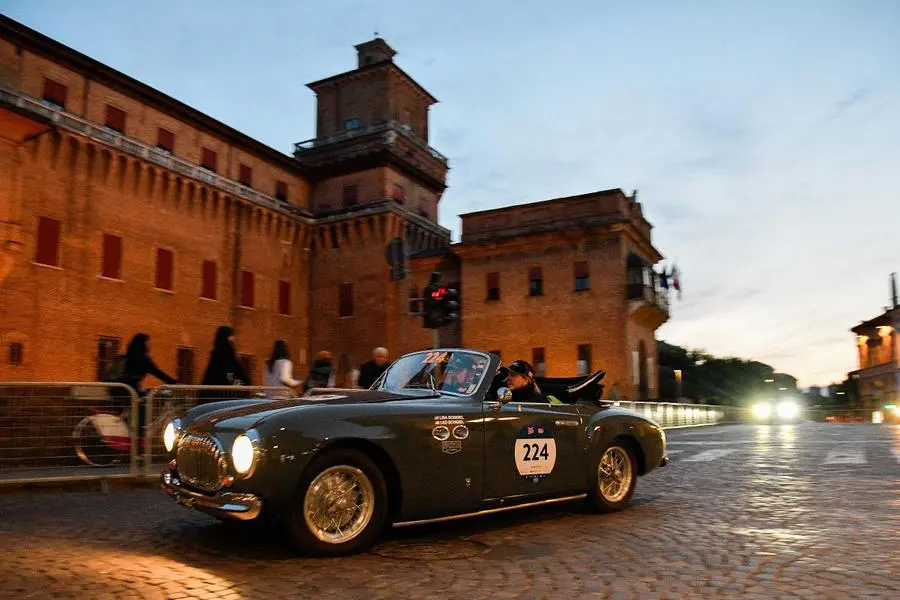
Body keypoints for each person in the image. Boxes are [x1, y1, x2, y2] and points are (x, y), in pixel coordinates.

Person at [199, 326, 250, 403]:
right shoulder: (227, 351)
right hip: (222, 393)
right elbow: (229, 372)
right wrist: (237, 383)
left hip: (213, 392)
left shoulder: (217, 352)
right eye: (231, 335)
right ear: (227, 337)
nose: (234, 338)